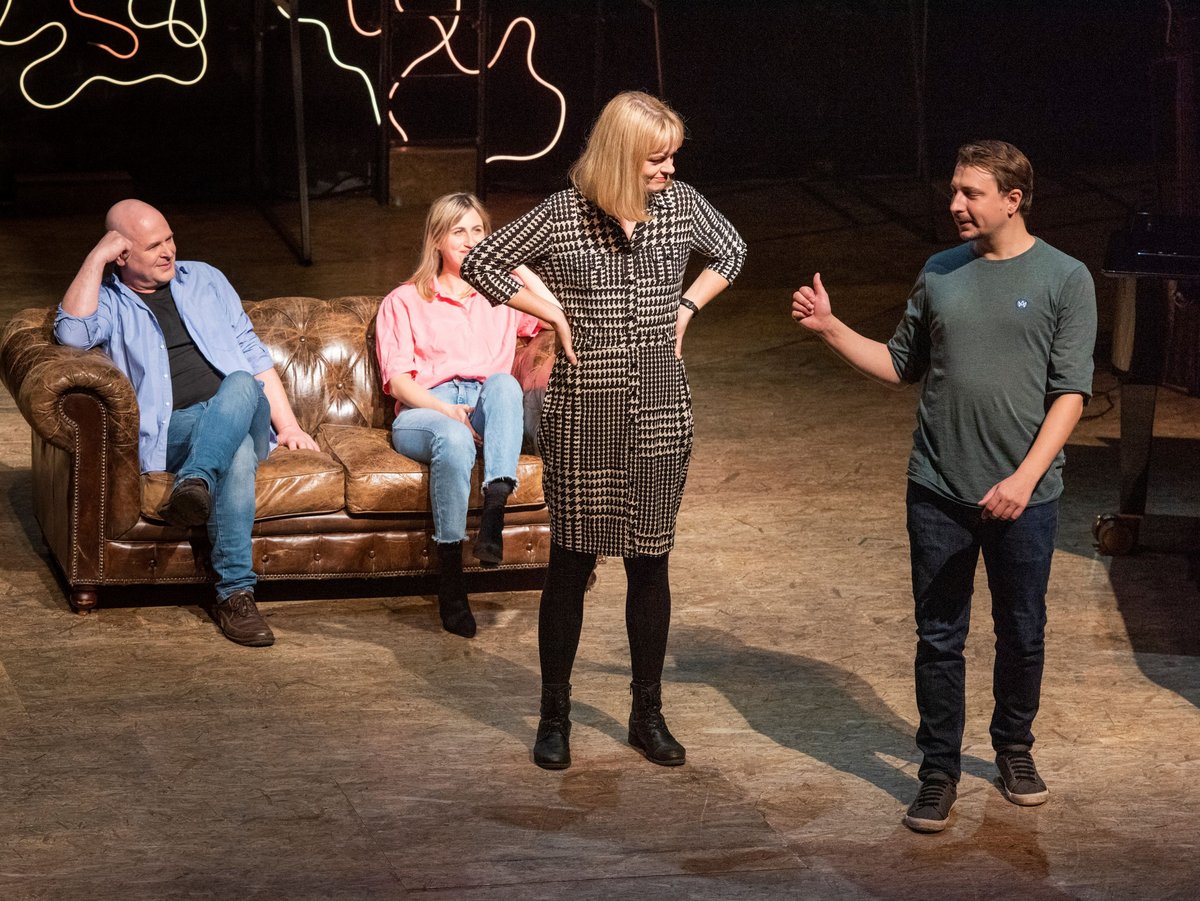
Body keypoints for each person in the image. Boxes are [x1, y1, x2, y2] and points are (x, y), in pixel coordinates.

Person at [791, 140, 1097, 832]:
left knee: (1022, 631)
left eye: (971, 193)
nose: (955, 204)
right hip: (938, 489)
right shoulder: (940, 273)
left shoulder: (1064, 278)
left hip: (1026, 496)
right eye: (954, 191)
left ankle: (1014, 748)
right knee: (939, 637)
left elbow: (1072, 392)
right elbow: (902, 365)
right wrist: (832, 328)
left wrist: (1023, 478)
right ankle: (937, 771)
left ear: (1013, 199)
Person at [461, 91, 747, 770]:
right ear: (622, 155)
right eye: (657, 157)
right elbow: (481, 262)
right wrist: (552, 311)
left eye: (674, 155)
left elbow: (732, 249)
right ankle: (554, 713)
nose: (669, 169)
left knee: (651, 560)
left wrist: (685, 306)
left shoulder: (679, 206)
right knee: (572, 561)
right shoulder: (564, 215)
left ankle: (646, 713)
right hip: (583, 413)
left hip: (657, 410)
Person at [54, 199, 320, 647]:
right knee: (232, 452)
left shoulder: (207, 279)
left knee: (238, 382)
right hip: (172, 431)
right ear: (122, 255)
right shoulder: (110, 301)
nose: (169, 251)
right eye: (154, 245)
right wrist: (95, 259)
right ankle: (236, 595)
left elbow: (252, 355)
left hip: (245, 410)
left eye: (170, 238)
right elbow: (71, 334)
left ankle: (195, 480)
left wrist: (289, 426)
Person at [375, 192, 554, 638]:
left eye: (479, 231)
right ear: (437, 240)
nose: (471, 240)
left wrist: (513, 263)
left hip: (483, 407)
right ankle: (451, 578)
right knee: (452, 439)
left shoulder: (503, 297)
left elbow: (556, 312)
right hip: (425, 410)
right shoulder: (404, 300)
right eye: (459, 232)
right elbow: (399, 382)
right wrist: (443, 410)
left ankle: (494, 510)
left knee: (504, 383)